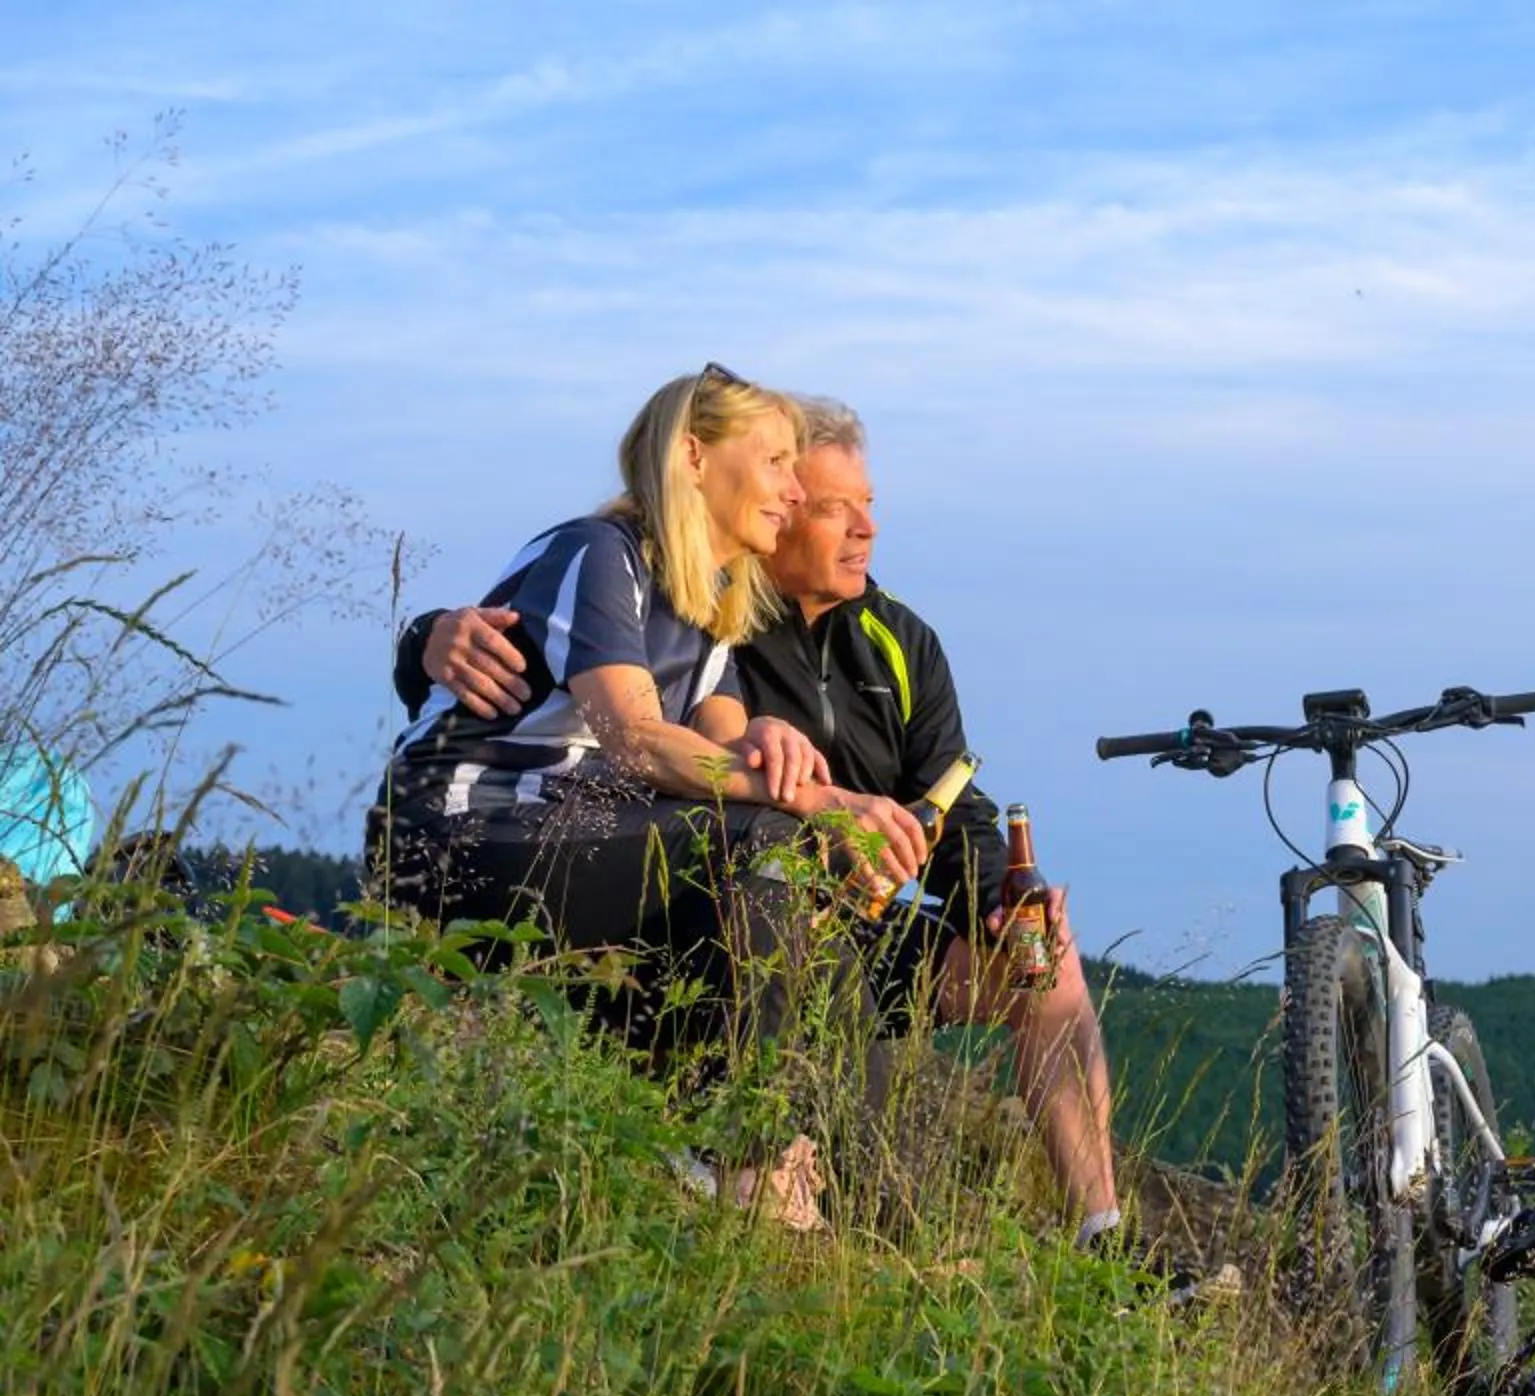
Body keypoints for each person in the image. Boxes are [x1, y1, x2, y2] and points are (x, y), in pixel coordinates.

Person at [397, 395, 1126, 1247]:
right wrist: (422, 637)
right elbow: (585, 706)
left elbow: (948, 802)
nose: (864, 529)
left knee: (1043, 964)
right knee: (783, 869)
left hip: (802, 916)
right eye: (826, 504)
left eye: (869, 506)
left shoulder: (870, 636)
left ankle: (1101, 1235)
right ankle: (781, 1179)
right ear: (708, 469)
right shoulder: (668, 582)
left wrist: (1001, 901)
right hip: (692, 913)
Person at [367, 366, 918, 1229]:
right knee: (767, 843)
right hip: (460, 833)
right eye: (774, 461)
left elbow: (725, 741)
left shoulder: (709, 605)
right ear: (693, 456)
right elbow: (634, 740)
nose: (793, 485)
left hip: (557, 839)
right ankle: (744, 1160)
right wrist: (826, 805)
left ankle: (870, 1207)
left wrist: (769, 751)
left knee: (806, 902)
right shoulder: (601, 555)